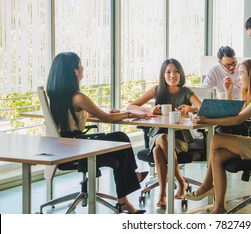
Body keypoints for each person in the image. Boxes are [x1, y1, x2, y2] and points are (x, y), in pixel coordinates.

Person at [46, 52, 150, 214]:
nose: (83, 68)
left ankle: (125, 199)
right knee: (120, 138)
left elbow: (82, 115)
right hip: (77, 150)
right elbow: (106, 119)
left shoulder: (55, 96)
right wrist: (130, 114)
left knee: (118, 148)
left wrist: (109, 113)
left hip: (63, 148)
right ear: (75, 71)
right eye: (80, 65)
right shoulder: (78, 97)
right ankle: (129, 184)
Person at [186, 58, 251, 214]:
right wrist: (228, 91)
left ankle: (207, 185)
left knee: (217, 138)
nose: (238, 77)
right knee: (217, 156)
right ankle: (219, 207)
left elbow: (238, 119)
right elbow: (232, 111)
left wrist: (207, 120)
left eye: (241, 73)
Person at [127, 58, 201, 209]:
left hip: (180, 139)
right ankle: (180, 182)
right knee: (163, 138)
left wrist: (190, 108)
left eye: (175, 72)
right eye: (168, 72)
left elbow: (203, 108)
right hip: (158, 135)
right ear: (163, 74)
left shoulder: (186, 92)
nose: (172, 75)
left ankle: (162, 194)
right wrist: (149, 111)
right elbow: (131, 106)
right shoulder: (157, 90)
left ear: (181, 74)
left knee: (157, 150)